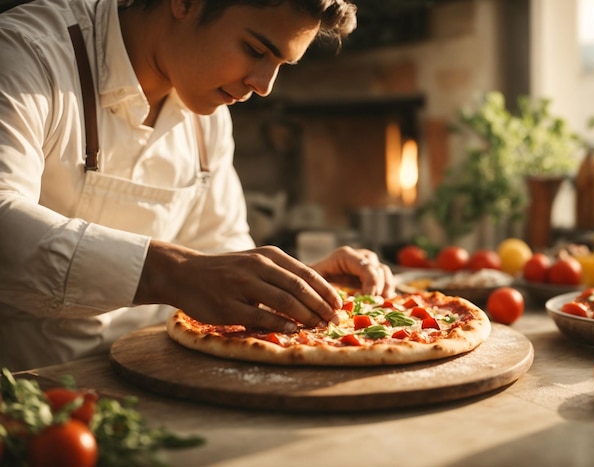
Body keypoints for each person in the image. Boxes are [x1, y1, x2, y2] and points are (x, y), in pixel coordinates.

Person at [0, 0, 395, 371]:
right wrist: (171, 273)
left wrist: (294, 289)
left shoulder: (208, 114)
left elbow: (221, 255)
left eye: (280, 65)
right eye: (255, 50)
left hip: (155, 374)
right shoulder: (25, 54)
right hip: (27, 387)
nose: (263, 86)